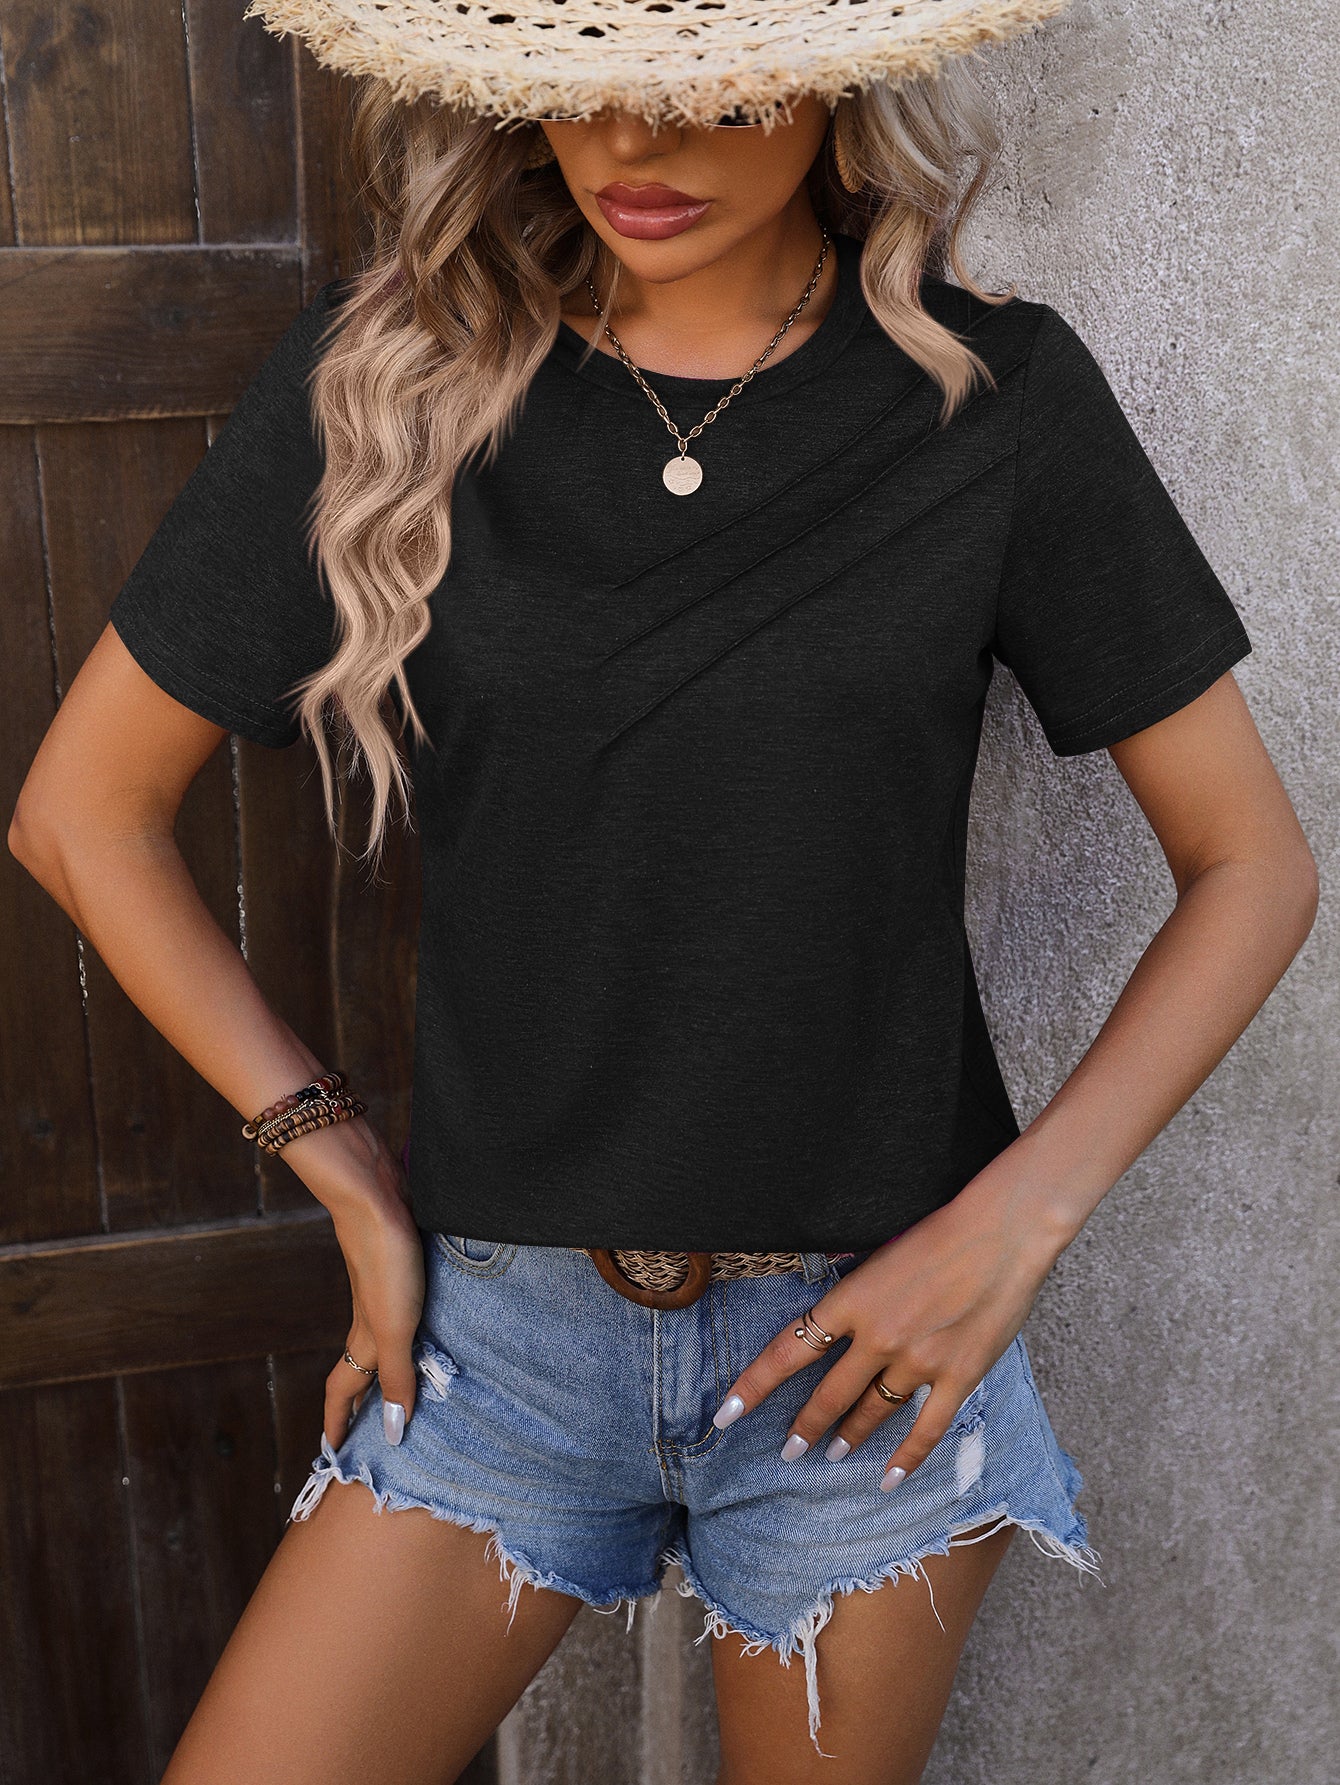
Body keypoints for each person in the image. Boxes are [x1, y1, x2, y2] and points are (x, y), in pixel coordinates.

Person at [8, 0, 1318, 1780]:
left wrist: (1014, 1228)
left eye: (708, 87)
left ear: (837, 75)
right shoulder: (390, 379)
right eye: (583, 82)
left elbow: (1252, 867)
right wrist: (340, 1165)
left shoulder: (995, 400)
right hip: (497, 1346)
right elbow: (82, 813)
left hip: (866, 1355)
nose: (634, 140)